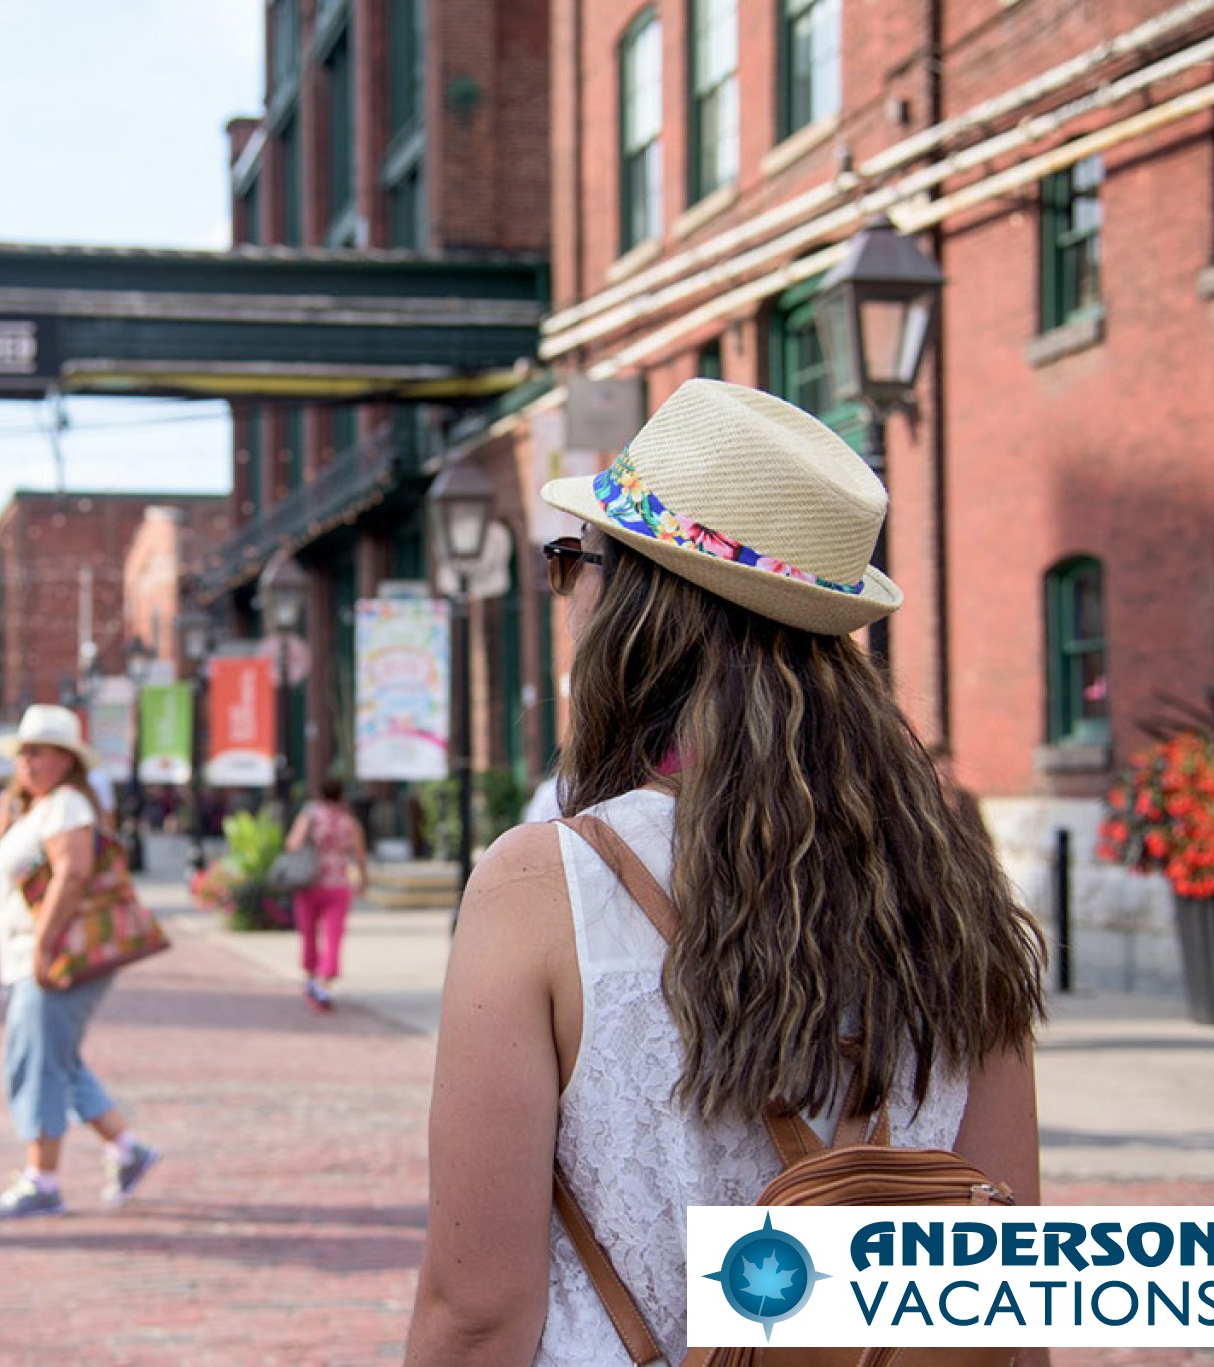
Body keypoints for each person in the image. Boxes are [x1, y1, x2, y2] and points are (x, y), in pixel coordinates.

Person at [404, 381, 1048, 1365]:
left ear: (630, 596)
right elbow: (1006, 1304)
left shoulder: (542, 888)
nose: (566, 590)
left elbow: (476, 1310)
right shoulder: (955, 892)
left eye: (572, 559)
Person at [0, 704, 160, 1219]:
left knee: (36, 1062)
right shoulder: (35, 807)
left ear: (65, 760)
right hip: (31, 953)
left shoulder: (66, 807)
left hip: (57, 956)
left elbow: (72, 873)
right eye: (22, 754)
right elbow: (12, 882)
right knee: (59, 1059)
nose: (27, 763)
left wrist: (42, 942)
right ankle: (127, 1149)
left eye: (38, 753)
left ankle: (43, 1179)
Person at [281, 777, 369, 1013]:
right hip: (338, 885)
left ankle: (310, 978)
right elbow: (360, 854)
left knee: (308, 933)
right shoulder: (349, 821)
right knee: (333, 935)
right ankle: (324, 982)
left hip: (309, 882)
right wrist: (363, 879)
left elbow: (293, 844)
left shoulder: (310, 815)